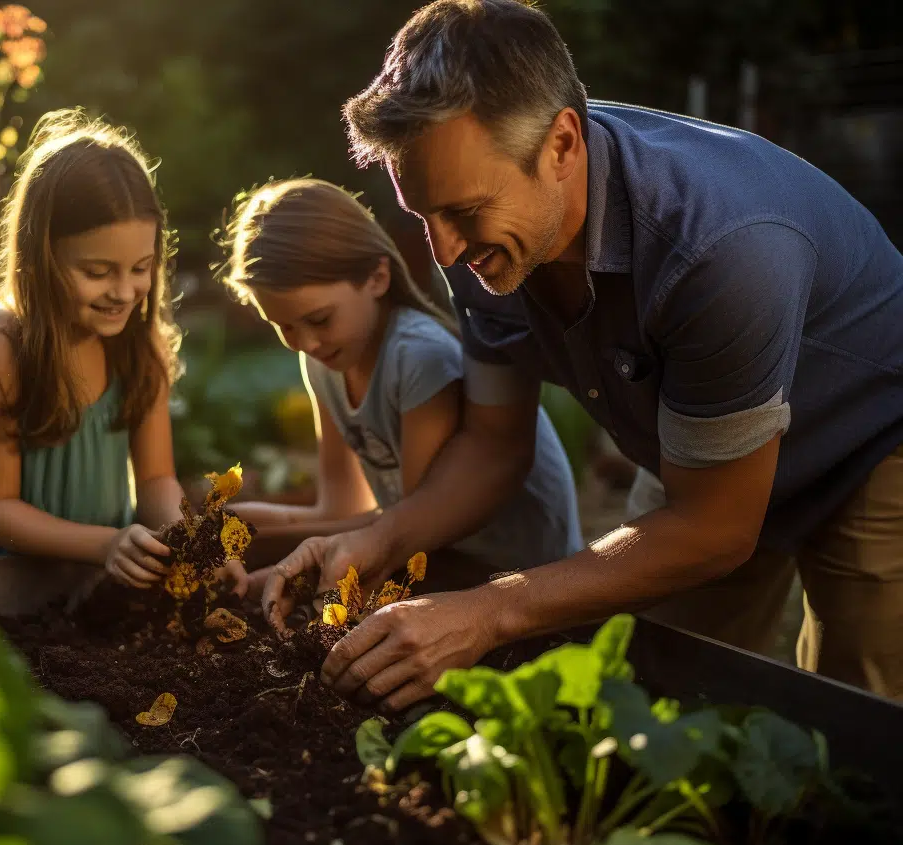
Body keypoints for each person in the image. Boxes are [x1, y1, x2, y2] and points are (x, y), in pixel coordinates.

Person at [263, 0, 903, 707]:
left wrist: (488, 609)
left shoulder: (718, 248)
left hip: (872, 440)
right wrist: (381, 538)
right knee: (648, 697)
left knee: (856, 720)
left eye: (462, 213)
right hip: (701, 453)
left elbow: (715, 528)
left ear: (563, 145)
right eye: (423, 216)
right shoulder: (480, 228)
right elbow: (493, 445)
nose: (441, 251)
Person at [217, 178, 582, 614]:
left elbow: (412, 531)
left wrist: (261, 546)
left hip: (513, 577)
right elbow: (341, 506)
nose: (306, 342)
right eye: (285, 328)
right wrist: (225, 532)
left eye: (319, 319)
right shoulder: (325, 362)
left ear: (377, 276)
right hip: (427, 560)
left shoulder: (418, 359)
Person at [0, 109, 192, 590]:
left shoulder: (136, 346)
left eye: (141, 268)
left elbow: (154, 481)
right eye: (98, 272)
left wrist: (189, 541)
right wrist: (105, 544)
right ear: (42, 256)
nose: (124, 292)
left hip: (92, 585)